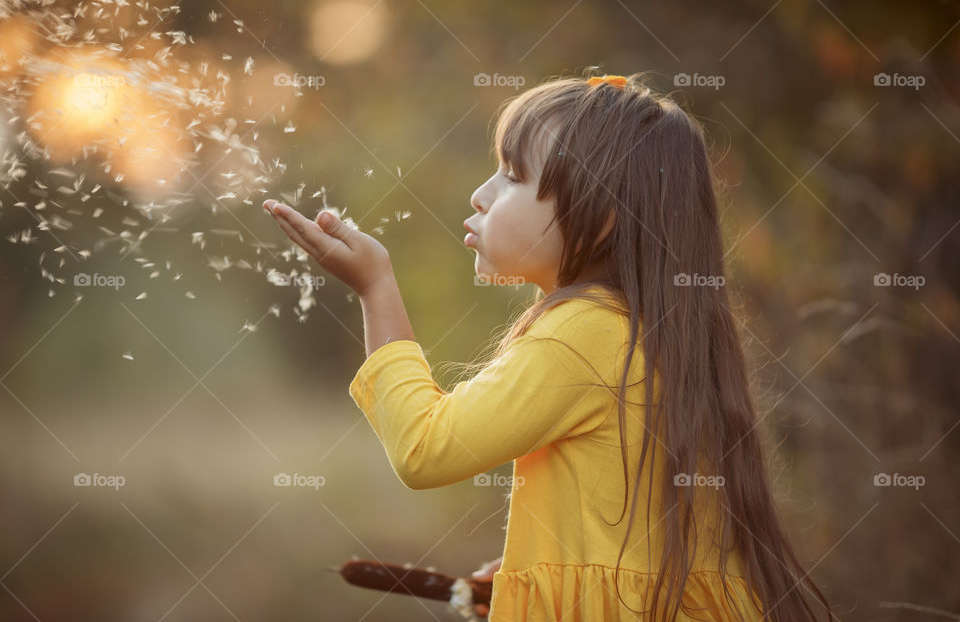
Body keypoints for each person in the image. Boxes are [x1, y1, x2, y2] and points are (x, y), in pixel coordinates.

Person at [262, 72, 833, 621]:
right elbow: (632, 535)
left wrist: (376, 287)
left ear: (604, 214)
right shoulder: (659, 331)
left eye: (513, 177)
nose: (481, 195)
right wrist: (539, 572)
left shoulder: (582, 333)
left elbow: (426, 448)